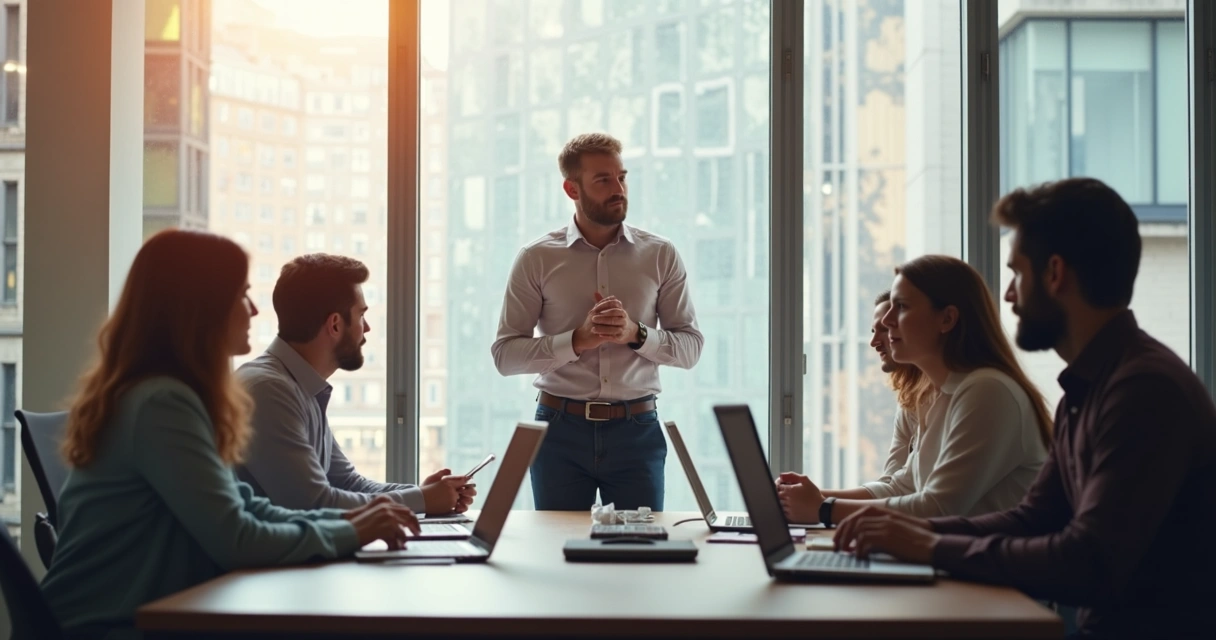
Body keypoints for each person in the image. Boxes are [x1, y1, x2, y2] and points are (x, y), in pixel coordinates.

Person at [833, 178, 1216, 639]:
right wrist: (914, 536)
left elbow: (1089, 559)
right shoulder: (1092, 383)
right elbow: (1033, 518)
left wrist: (930, 546)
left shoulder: (1142, 390)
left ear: (1054, 274)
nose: (1009, 295)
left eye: (1016, 273)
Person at [40, 231, 419, 639]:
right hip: (105, 628)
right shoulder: (161, 404)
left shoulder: (170, 395)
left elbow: (248, 506)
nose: (255, 310)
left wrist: (358, 519)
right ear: (200, 310)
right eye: (242, 294)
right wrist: (352, 529)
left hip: (147, 615)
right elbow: (237, 538)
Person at [491, 132, 704, 510]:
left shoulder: (660, 254)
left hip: (637, 430)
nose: (618, 188)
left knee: (639, 557)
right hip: (558, 430)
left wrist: (635, 334)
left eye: (621, 177)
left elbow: (690, 349)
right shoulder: (537, 257)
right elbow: (506, 356)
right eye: (603, 180)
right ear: (572, 189)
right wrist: (576, 341)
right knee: (556, 551)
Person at [777, 255, 1051, 525]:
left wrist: (824, 509)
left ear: (947, 319)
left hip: (985, 567)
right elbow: (902, 487)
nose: (885, 321)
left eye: (902, 307)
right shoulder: (937, 395)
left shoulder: (988, 391)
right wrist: (808, 498)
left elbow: (938, 506)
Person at [237, 254, 474, 515]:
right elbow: (314, 504)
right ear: (335, 325)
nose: (368, 328)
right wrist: (422, 500)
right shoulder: (269, 391)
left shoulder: (298, 387)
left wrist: (423, 495)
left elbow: (348, 484)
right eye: (361, 315)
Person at [870, 290, 926, 483]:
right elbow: (891, 482)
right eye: (873, 331)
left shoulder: (949, 395)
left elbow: (928, 499)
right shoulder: (908, 401)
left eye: (884, 328)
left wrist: (824, 503)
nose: (874, 342)